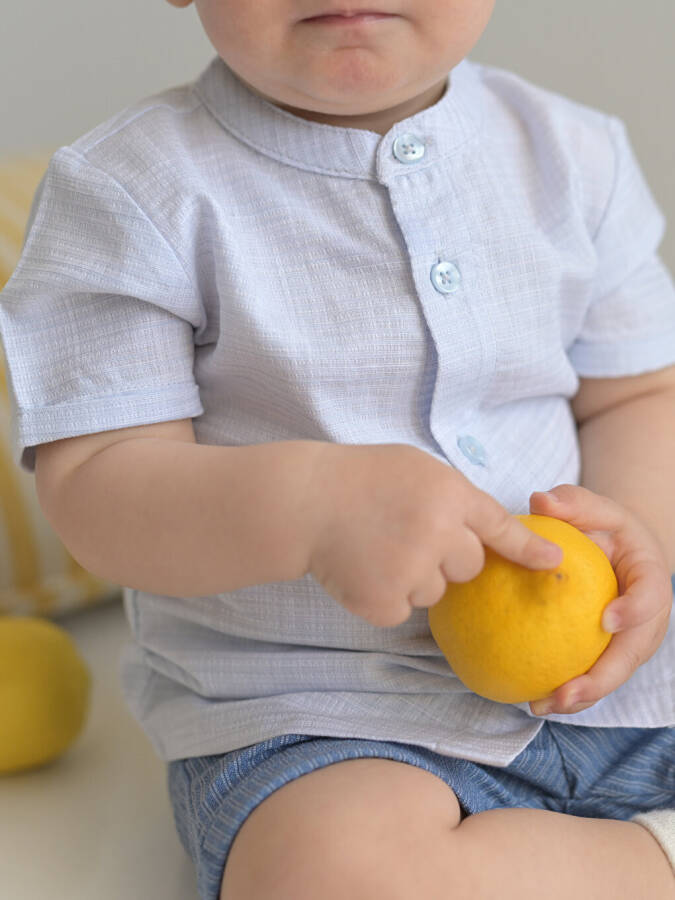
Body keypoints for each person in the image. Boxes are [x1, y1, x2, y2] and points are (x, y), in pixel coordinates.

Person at [0, 0, 674, 896]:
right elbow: (96, 490)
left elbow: (638, 394)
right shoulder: (127, 192)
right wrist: (311, 507)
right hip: (322, 720)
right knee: (333, 877)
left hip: (624, 667)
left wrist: (637, 531)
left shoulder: (575, 153)